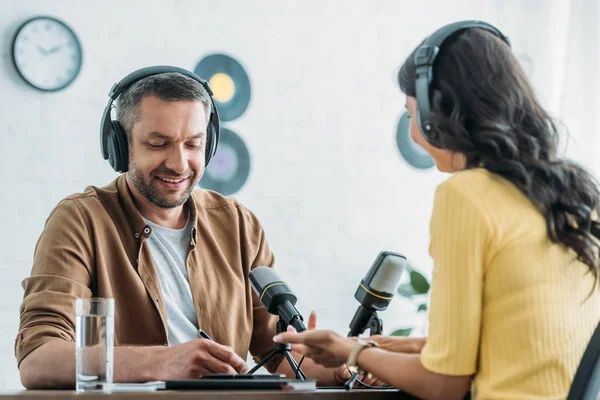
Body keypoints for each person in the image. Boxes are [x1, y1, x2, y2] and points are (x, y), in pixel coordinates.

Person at [273, 21, 600, 399]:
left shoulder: (465, 195)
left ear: (437, 112)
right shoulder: (576, 192)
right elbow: (511, 345)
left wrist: (351, 351)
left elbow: (444, 382)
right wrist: (385, 347)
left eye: (411, 112)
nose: (414, 131)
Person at [15, 66, 352, 388]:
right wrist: (163, 362)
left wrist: (344, 370)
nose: (179, 164)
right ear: (120, 146)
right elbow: (38, 359)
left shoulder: (237, 223)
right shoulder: (79, 220)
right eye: (158, 144)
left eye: (193, 144)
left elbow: (278, 355)